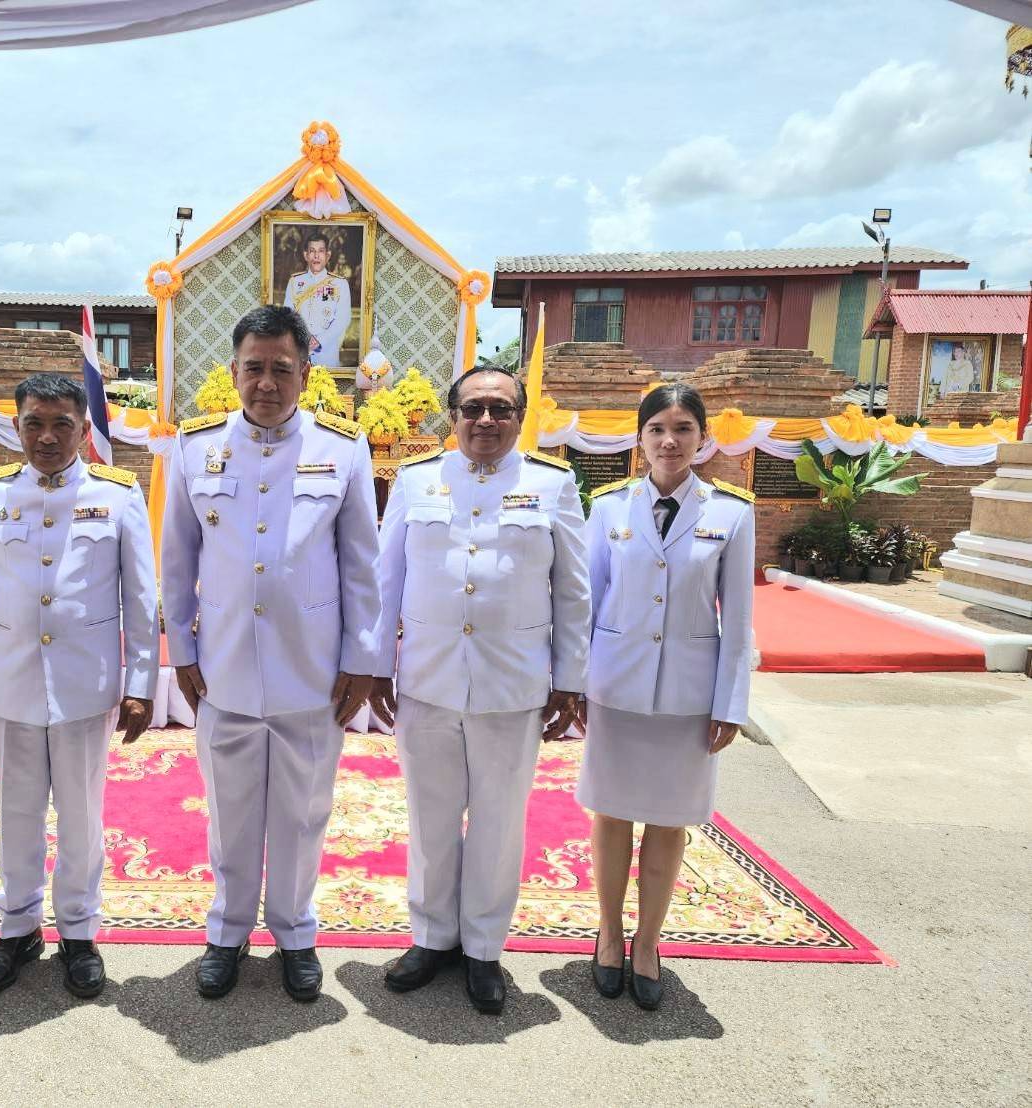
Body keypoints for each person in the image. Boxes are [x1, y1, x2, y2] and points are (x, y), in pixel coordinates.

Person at [161, 304, 381, 1002]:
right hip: (223, 665)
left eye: (281, 369)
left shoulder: (343, 449)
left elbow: (362, 566)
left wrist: (362, 659)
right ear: (233, 371)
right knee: (229, 811)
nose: (265, 383)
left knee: (304, 811)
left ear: (306, 375)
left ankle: (295, 932)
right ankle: (227, 932)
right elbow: (177, 561)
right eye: (253, 368)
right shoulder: (195, 447)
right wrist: (182, 650)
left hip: (312, 670)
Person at [369, 365, 590, 1014]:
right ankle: (432, 937)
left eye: (500, 409)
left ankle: (485, 948)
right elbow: (386, 579)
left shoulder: (552, 483)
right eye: (472, 408)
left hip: (512, 683)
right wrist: (376, 665)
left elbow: (573, 590)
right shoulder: (416, 480)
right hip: (429, 678)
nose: (486, 420)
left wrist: (570, 678)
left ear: (520, 417)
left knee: (498, 821)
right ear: (453, 416)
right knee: (431, 816)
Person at [0, 373, 157, 1001]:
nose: (46, 436)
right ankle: (17, 929)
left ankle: (79, 932)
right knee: (16, 811)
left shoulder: (117, 495)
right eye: (34, 423)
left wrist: (141, 682)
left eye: (61, 424)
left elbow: (140, 598)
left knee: (81, 813)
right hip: (11, 681)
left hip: (83, 685)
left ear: (84, 429)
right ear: (16, 427)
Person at [577, 382, 755, 1011]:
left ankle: (648, 941)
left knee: (669, 820)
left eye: (682, 429)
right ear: (639, 438)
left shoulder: (731, 513)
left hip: (687, 696)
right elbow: (587, 601)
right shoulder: (608, 508)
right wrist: (574, 682)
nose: (669, 441)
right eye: (657, 429)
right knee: (611, 813)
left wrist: (730, 703)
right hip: (616, 687)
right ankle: (608, 933)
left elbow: (739, 619)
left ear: (702, 439)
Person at [282, 231, 353, 363]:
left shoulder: (340, 284)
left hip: (327, 354)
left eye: (321, 251)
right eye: (312, 251)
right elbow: (287, 316)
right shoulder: (294, 282)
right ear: (306, 255)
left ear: (328, 255)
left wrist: (319, 341)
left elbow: (343, 319)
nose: (316, 256)